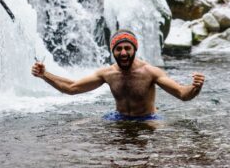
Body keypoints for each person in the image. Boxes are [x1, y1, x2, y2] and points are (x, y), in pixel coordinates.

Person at [31, 29, 205, 121]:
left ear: (134, 49)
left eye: (127, 48)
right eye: (118, 49)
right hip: (118, 117)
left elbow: (182, 94)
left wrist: (195, 87)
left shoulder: (150, 72)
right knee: (77, 128)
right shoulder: (108, 74)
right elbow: (71, 88)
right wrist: (45, 74)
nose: (123, 53)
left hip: (148, 118)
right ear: (113, 51)